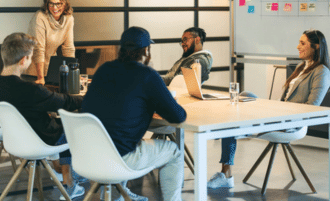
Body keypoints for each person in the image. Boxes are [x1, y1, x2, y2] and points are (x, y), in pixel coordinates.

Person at [207, 29, 330, 189]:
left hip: (291, 123)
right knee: (245, 95)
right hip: (279, 114)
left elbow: (311, 108)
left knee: (231, 125)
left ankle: (226, 173)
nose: (297, 46)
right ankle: (230, 130)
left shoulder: (322, 72)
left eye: (302, 43)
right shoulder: (301, 67)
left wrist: (280, 112)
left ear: (317, 46)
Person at [81, 26, 187, 201]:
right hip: (121, 158)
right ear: (146, 51)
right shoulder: (147, 75)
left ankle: (116, 196)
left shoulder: (103, 70)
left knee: (118, 135)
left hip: (89, 154)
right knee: (174, 151)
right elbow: (178, 116)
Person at [0, 33, 85, 200]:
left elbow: (1, 118)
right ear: (23, 60)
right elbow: (65, 102)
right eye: (31, 57)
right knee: (76, 127)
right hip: (43, 141)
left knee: (62, 125)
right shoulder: (31, 90)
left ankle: (65, 175)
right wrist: (88, 98)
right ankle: (73, 182)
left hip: (14, 142)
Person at [25, 0, 75, 85]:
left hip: (50, 69)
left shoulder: (69, 19)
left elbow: (68, 49)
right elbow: (38, 49)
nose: (54, 7)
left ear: (64, 4)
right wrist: (40, 77)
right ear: (47, 4)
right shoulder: (40, 17)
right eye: (51, 3)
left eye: (58, 4)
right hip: (32, 69)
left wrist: (73, 74)